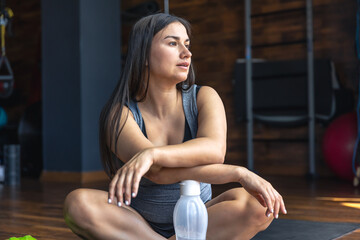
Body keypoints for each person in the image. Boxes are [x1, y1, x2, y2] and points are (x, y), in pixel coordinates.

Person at [63, 13, 287, 240]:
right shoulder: (119, 114)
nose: (187, 53)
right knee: (78, 203)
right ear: (144, 55)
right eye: (173, 43)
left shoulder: (204, 97)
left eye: (187, 44)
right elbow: (158, 172)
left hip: (199, 219)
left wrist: (153, 153)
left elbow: (214, 150)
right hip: (137, 225)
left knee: (258, 204)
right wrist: (238, 173)